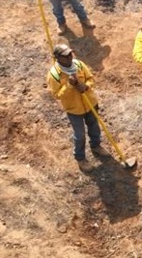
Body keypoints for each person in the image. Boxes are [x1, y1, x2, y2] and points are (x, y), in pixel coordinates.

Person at [47, 44, 110, 172]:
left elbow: (90, 79)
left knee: (94, 126)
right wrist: (70, 86)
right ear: (58, 58)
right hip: (74, 109)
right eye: (66, 56)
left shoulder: (79, 64)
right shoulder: (54, 75)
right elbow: (57, 95)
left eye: (70, 54)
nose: (70, 57)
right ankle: (80, 158)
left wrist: (86, 86)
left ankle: (96, 146)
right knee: (79, 134)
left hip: (90, 103)